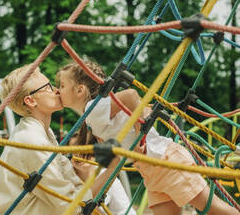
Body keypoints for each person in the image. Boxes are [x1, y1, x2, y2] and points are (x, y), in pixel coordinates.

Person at [56, 60, 239, 215]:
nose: (58, 91)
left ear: (80, 90)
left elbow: (131, 95)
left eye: (62, 86)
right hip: (151, 171)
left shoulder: (93, 110)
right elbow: (115, 160)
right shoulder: (92, 119)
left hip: (166, 161)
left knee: (213, 208)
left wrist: (139, 135)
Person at [0, 64, 120, 215]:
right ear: (31, 101)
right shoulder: (31, 141)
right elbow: (72, 206)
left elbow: (74, 187)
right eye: (48, 88)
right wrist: (113, 168)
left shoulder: (44, 134)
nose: (57, 90)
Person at [69, 131, 137, 215]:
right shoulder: (67, 177)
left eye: (84, 149)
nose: (78, 154)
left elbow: (125, 210)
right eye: (74, 149)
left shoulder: (105, 175)